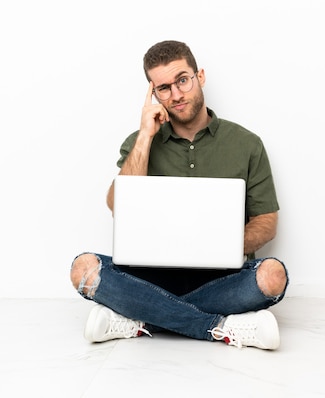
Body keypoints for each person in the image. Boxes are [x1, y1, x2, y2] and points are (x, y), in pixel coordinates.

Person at [70, 40, 288, 350]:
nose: (176, 94)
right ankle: (220, 327)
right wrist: (146, 135)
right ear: (153, 93)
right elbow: (116, 205)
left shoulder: (247, 143)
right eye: (163, 88)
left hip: (221, 279)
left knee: (272, 276)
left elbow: (267, 222)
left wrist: (220, 245)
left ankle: (139, 318)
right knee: (83, 269)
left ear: (200, 77)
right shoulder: (138, 141)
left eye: (182, 80)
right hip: (150, 277)